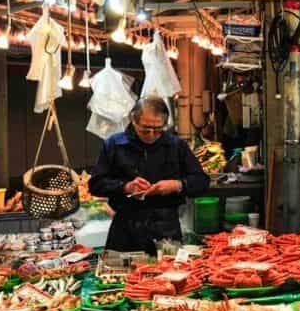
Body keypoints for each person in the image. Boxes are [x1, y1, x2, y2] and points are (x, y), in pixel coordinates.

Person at [90, 97, 210, 254]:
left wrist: (177, 185)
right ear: (133, 120)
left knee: (168, 275)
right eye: (145, 129)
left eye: (158, 130)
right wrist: (126, 187)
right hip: (125, 228)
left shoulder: (176, 146)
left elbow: (202, 181)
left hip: (166, 229)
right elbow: (96, 184)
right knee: (119, 277)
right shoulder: (114, 145)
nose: (152, 135)